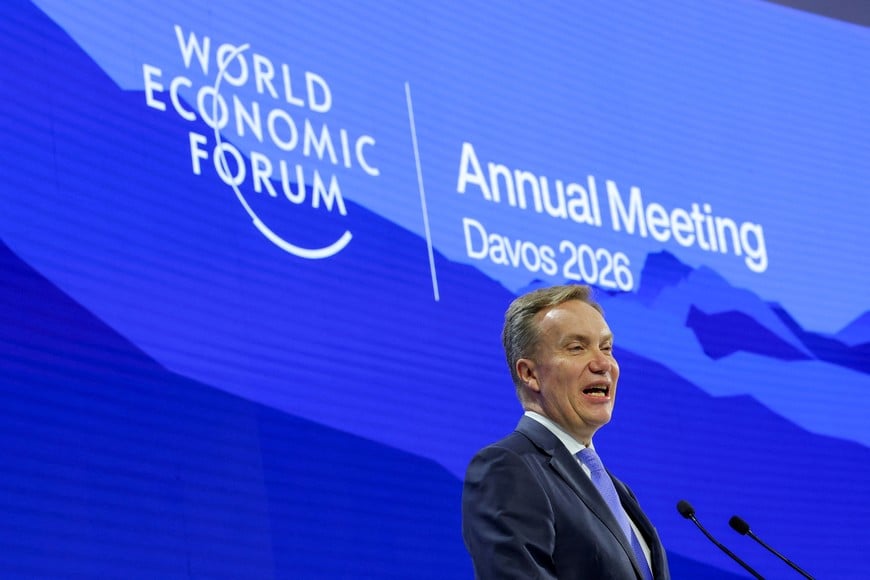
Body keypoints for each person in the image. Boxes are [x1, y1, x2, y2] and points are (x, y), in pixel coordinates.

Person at [462, 284, 669, 579]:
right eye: (577, 347)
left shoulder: (618, 492)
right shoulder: (507, 468)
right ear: (529, 374)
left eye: (606, 347)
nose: (603, 364)